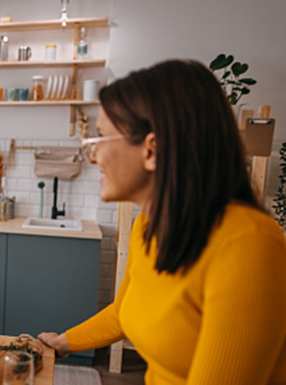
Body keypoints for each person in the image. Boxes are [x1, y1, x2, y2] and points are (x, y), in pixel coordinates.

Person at [38, 60, 286, 384]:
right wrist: (62, 342)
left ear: (151, 151)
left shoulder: (248, 246)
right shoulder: (148, 227)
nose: (93, 156)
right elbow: (124, 311)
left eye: (100, 140)